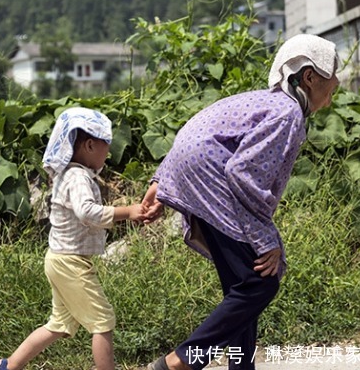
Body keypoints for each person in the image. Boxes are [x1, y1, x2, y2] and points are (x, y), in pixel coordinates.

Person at [142, 34, 340, 370]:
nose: (332, 98)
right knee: (259, 283)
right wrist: (267, 241)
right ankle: (178, 362)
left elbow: (200, 128)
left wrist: (162, 179)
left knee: (243, 286)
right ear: (310, 77)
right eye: (332, 86)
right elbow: (244, 177)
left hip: (193, 172)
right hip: (211, 179)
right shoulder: (287, 113)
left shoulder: (265, 102)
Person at [0, 107, 146, 370]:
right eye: (107, 144)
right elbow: (87, 212)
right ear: (89, 145)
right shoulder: (77, 176)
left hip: (60, 259)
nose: (109, 151)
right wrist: (127, 212)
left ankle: (7, 366)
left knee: (59, 324)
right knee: (103, 321)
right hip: (70, 262)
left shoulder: (69, 175)